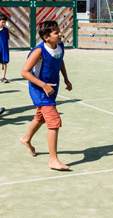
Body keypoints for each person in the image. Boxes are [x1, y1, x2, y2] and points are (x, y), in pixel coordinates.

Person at [20, 20, 73, 171]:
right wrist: (43, 85)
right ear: (46, 37)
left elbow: (60, 61)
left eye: (59, 31)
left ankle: (26, 139)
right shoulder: (39, 51)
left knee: (41, 116)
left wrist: (66, 78)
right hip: (39, 90)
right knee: (54, 121)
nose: (60, 34)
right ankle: (53, 160)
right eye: (56, 33)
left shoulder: (60, 46)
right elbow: (24, 72)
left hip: (51, 88)